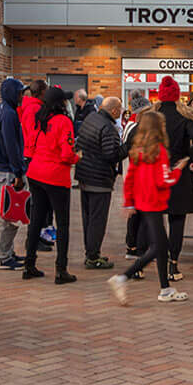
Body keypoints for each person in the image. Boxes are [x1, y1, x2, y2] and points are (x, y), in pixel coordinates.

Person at [108, 109, 182, 305]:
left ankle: (165, 288)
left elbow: (129, 178)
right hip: (154, 203)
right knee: (159, 246)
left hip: (142, 202)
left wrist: (129, 202)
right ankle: (124, 277)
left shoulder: (137, 152)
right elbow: (162, 180)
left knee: (159, 246)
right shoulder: (160, 152)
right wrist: (178, 172)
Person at [19, 86, 77, 284]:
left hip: (36, 172)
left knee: (36, 219)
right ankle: (61, 270)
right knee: (62, 223)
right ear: (61, 103)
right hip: (55, 176)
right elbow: (67, 153)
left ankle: (29, 265)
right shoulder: (63, 121)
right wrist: (78, 157)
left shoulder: (39, 118)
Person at [152, 81, 193, 273]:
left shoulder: (152, 117)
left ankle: (152, 259)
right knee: (176, 219)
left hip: (156, 171)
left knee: (155, 219)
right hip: (179, 171)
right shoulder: (184, 116)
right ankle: (173, 263)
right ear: (176, 95)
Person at [75, 94, 127, 269]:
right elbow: (111, 154)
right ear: (113, 110)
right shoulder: (108, 127)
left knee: (88, 218)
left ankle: (91, 253)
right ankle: (92, 256)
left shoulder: (91, 118)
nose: (121, 112)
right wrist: (127, 147)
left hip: (84, 175)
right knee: (97, 220)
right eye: (120, 109)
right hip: (99, 179)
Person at [0, 76, 29, 270]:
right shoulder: (9, 114)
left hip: (1, 168)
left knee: (8, 214)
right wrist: (18, 172)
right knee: (8, 215)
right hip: (6, 170)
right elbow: (11, 145)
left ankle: (7, 251)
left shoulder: (1, 110)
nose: (22, 95)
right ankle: (2, 257)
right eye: (20, 92)